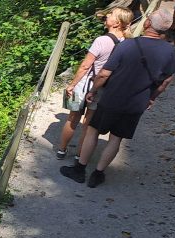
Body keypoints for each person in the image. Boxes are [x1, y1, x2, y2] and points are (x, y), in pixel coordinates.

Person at [59, 7, 175, 188]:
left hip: (112, 97)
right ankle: (98, 174)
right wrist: (152, 97)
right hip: (137, 102)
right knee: (116, 139)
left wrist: (93, 91)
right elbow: (166, 80)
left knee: (93, 131)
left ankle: (80, 169)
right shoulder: (169, 51)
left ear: (147, 24)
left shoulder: (128, 45)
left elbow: (104, 73)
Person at [56, 7, 131, 160]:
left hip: (84, 84)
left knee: (72, 118)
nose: (107, 15)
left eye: (111, 14)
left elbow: (85, 66)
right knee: (88, 124)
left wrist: (71, 85)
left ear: (117, 23)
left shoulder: (101, 40)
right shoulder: (127, 42)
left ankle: (61, 151)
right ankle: (79, 155)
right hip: (103, 87)